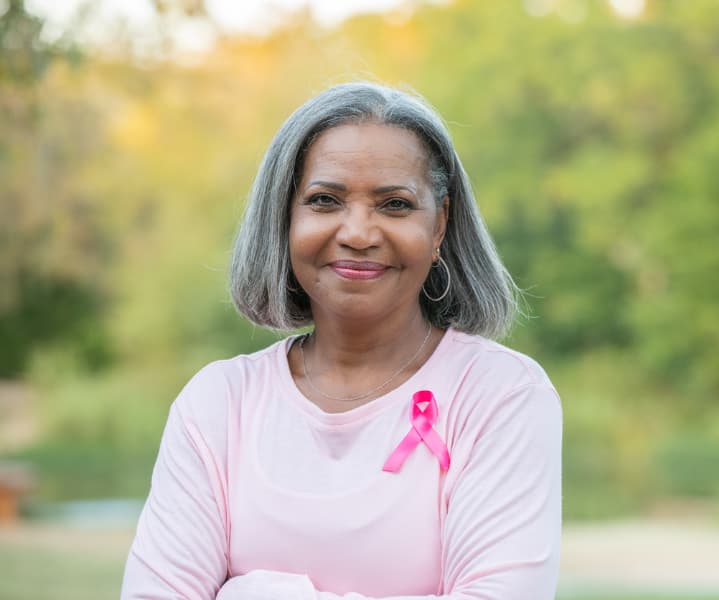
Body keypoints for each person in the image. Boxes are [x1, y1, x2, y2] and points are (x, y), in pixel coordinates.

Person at [121, 81, 562, 599]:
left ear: (439, 225)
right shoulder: (219, 403)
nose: (357, 232)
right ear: (285, 218)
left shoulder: (500, 396)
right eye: (325, 200)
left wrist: (254, 593)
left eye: (395, 204)